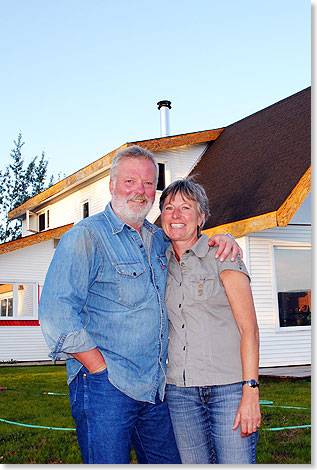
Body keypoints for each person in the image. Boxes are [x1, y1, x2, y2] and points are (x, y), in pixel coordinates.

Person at [39, 146, 242, 464]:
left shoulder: (157, 240)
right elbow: (56, 312)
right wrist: (98, 367)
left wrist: (223, 237)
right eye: (130, 181)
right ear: (112, 185)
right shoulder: (86, 237)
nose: (140, 191)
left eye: (148, 183)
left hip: (154, 388)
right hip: (105, 386)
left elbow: (189, 236)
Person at [159, 178, 261, 464]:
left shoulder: (223, 255)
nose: (176, 215)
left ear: (201, 217)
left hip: (228, 389)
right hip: (180, 394)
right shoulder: (158, 262)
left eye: (185, 208)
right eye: (169, 208)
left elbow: (249, 329)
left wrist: (250, 390)